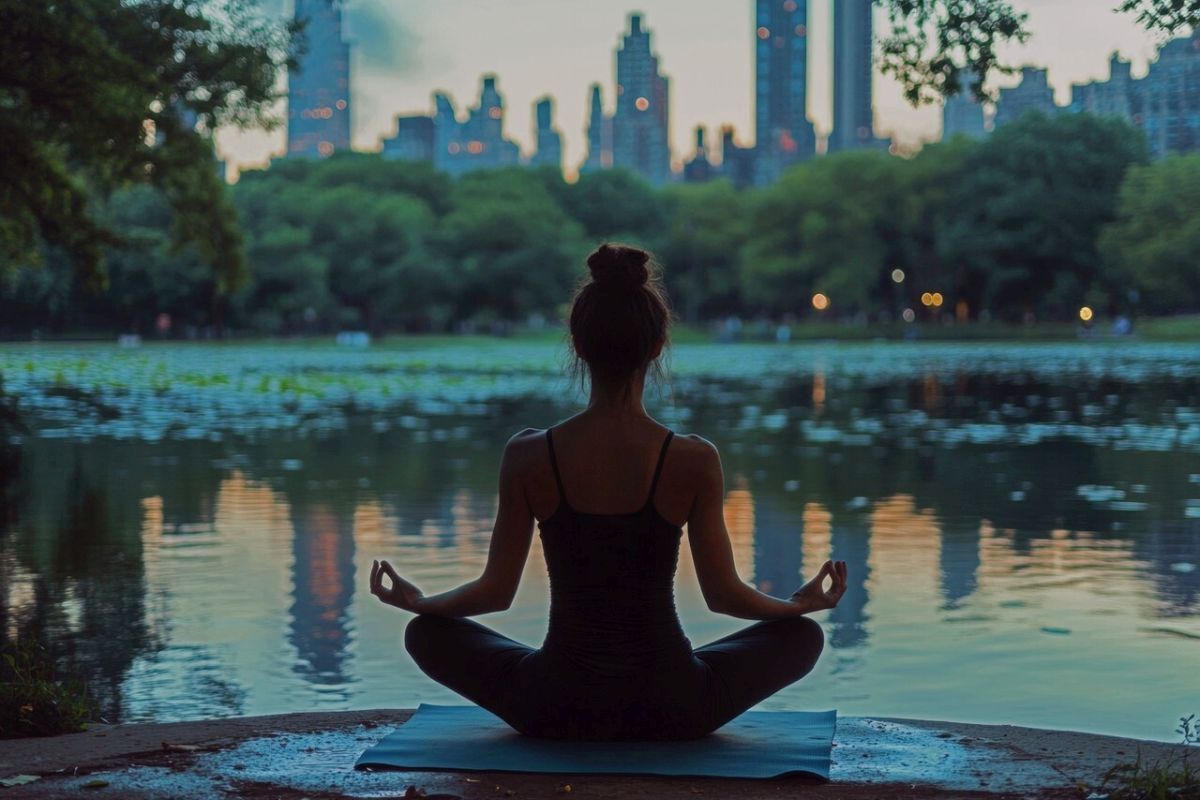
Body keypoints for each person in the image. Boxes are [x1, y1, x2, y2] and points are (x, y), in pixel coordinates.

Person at [369, 243, 848, 741]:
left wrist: (421, 602)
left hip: (553, 703)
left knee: (425, 633)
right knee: (802, 638)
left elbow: (495, 593)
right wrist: (798, 606)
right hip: (675, 705)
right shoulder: (693, 458)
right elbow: (724, 596)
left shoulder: (528, 454)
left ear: (577, 344)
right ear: (658, 345)